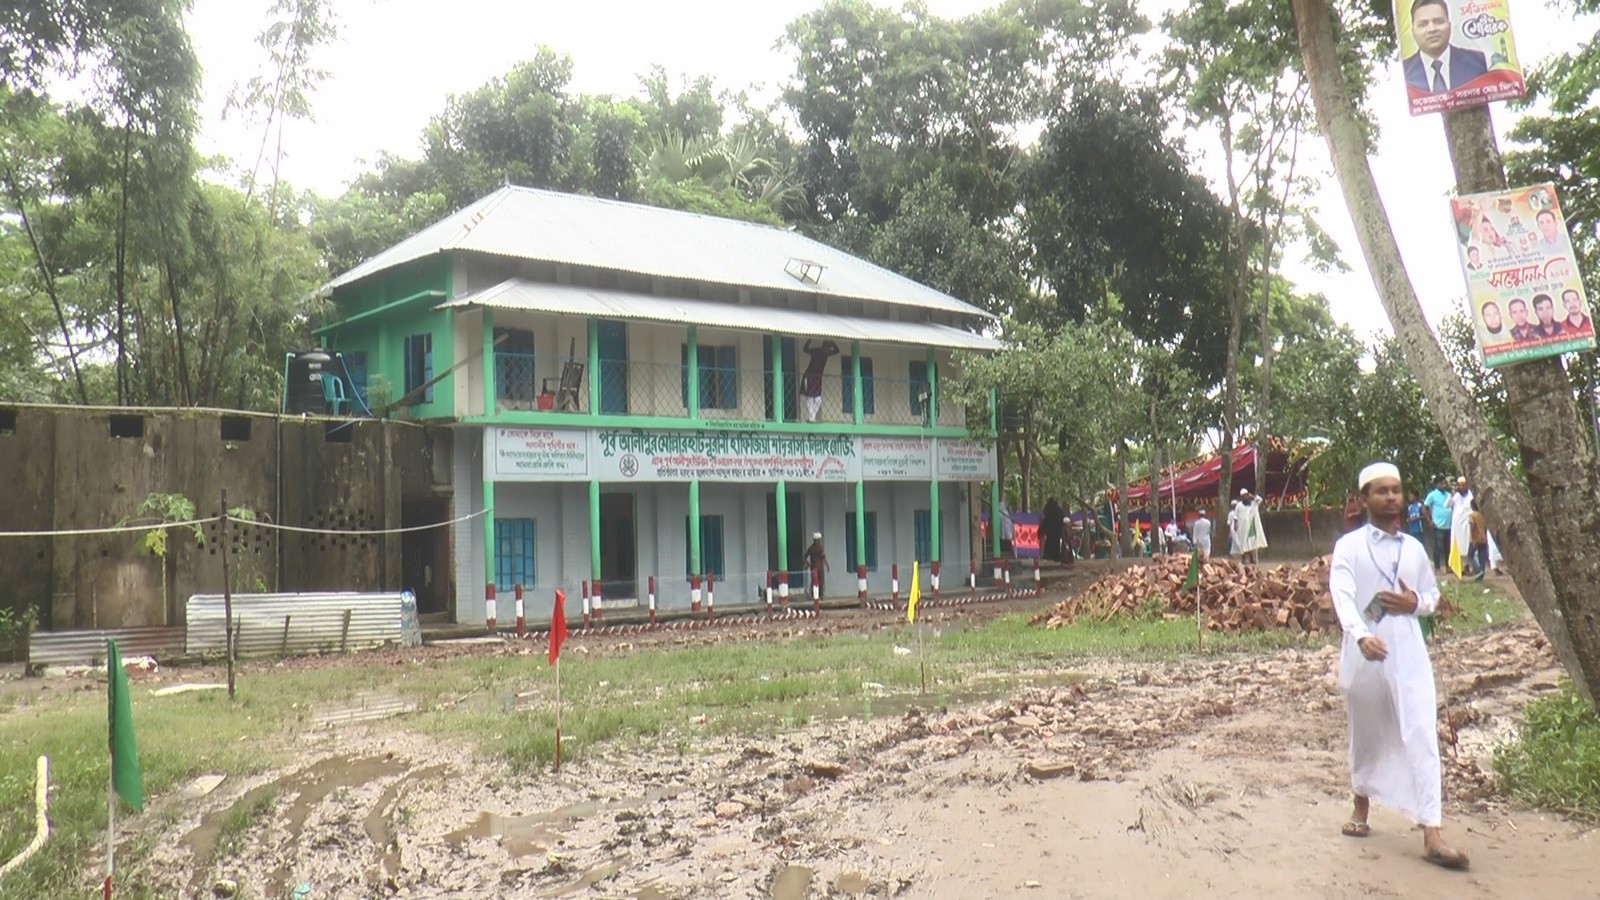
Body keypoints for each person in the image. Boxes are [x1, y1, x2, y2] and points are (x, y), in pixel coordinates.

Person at [1330, 461, 1469, 870]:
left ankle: (1432, 832)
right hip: (1365, 647)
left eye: (1396, 490)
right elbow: (1342, 595)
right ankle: (1361, 806)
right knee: (1367, 729)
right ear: (1364, 499)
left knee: (1421, 729)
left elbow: (1431, 594)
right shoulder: (1350, 547)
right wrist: (1360, 635)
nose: (1391, 497)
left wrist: (1415, 604)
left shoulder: (1414, 549)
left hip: (1408, 647)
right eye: (1381, 491)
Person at [1402, 0, 1489, 94]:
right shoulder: (1402, 72)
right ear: (1413, 32)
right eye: (1423, 24)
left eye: (1438, 22)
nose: (1432, 29)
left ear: (1449, 26)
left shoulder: (1477, 61)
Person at [798, 339, 840, 422]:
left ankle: (812, 417)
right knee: (810, 397)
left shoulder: (826, 354)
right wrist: (808, 340)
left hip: (817, 378)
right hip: (809, 376)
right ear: (824, 347)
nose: (828, 350)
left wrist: (833, 343)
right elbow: (805, 349)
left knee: (818, 399)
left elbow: (837, 350)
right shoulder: (816, 351)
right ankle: (811, 418)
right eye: (828, 348)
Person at [1422, 476, 1453, 573]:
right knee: (1438, 548)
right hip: (1438, 525)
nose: (1444, 485)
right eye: (1442, 483)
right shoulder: (1432, 495)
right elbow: (1425, 507)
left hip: (1449, 525)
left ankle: (1448, 567)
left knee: (1448, 547)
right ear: (1437, 484)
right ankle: (1437, 567)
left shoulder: (1448, 495)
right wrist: (1429, 521)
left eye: (1445, 483)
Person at [1447, 476, 1475, 578]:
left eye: (1464, 485)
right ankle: (1458, 568)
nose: (1462, 487)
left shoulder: (1471, 495)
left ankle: (1467, 567)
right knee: (1457, 545)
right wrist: (1452, 494)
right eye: (1460, 485)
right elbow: (1447, 505)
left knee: (1467, 546)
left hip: (1467, 523)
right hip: (1456, 525)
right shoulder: (1456, 495)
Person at [1235, 488, 1268, 565]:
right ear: (1241, 497)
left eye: (1246, 495)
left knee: (1253, 542)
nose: (1245, 497)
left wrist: (1252, 496)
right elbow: (1235, 517)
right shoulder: (1239, 505)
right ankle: (1245, 558)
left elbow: (1260, 499)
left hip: (1252, 526)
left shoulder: (1254, 503)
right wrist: (1235, 526)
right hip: (1242, 527)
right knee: (1244, 543)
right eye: (1243, 496)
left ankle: (1253, 558)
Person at [802, 531, 829, 599]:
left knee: (817, 581)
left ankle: (817, 595)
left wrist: (807, 563)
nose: (819, 541)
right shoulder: (818, 548)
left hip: (814, 568)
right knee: (818, 581)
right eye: (818, 540)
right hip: (818, 568)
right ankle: (818, 595)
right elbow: (823, 558)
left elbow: (805, 556)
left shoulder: (812, 548)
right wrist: (827, 565)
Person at [1467, 500, 1489, 582]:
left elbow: (1472, 526)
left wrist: (1472, 538)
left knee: (1470, 555)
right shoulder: (1483, 515)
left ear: (1472, 506)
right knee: (1481, 556)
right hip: (1483, 537)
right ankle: (1481, 574)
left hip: (1476, 537)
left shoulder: (1472, 515)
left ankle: (1478, 570)